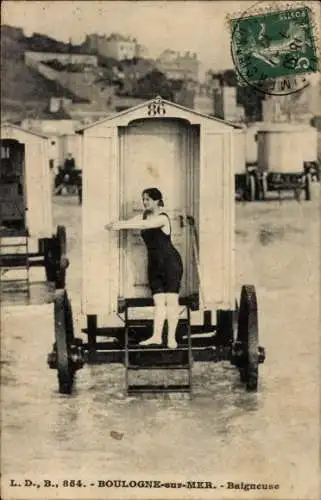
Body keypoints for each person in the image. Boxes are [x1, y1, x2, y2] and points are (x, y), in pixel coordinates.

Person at [105, 188, 183, 348]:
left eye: (148, 199)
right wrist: (116, 224)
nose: (145, 202)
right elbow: (133, 222)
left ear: (157, 201)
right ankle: (156, 337)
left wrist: (120, 226)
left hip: (170, 263)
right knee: (159, 302)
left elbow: (143, 224)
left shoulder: (163, 218)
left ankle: (171, 339)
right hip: (154, 264)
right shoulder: (145, 215)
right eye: (143, 199)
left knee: (171, 301)